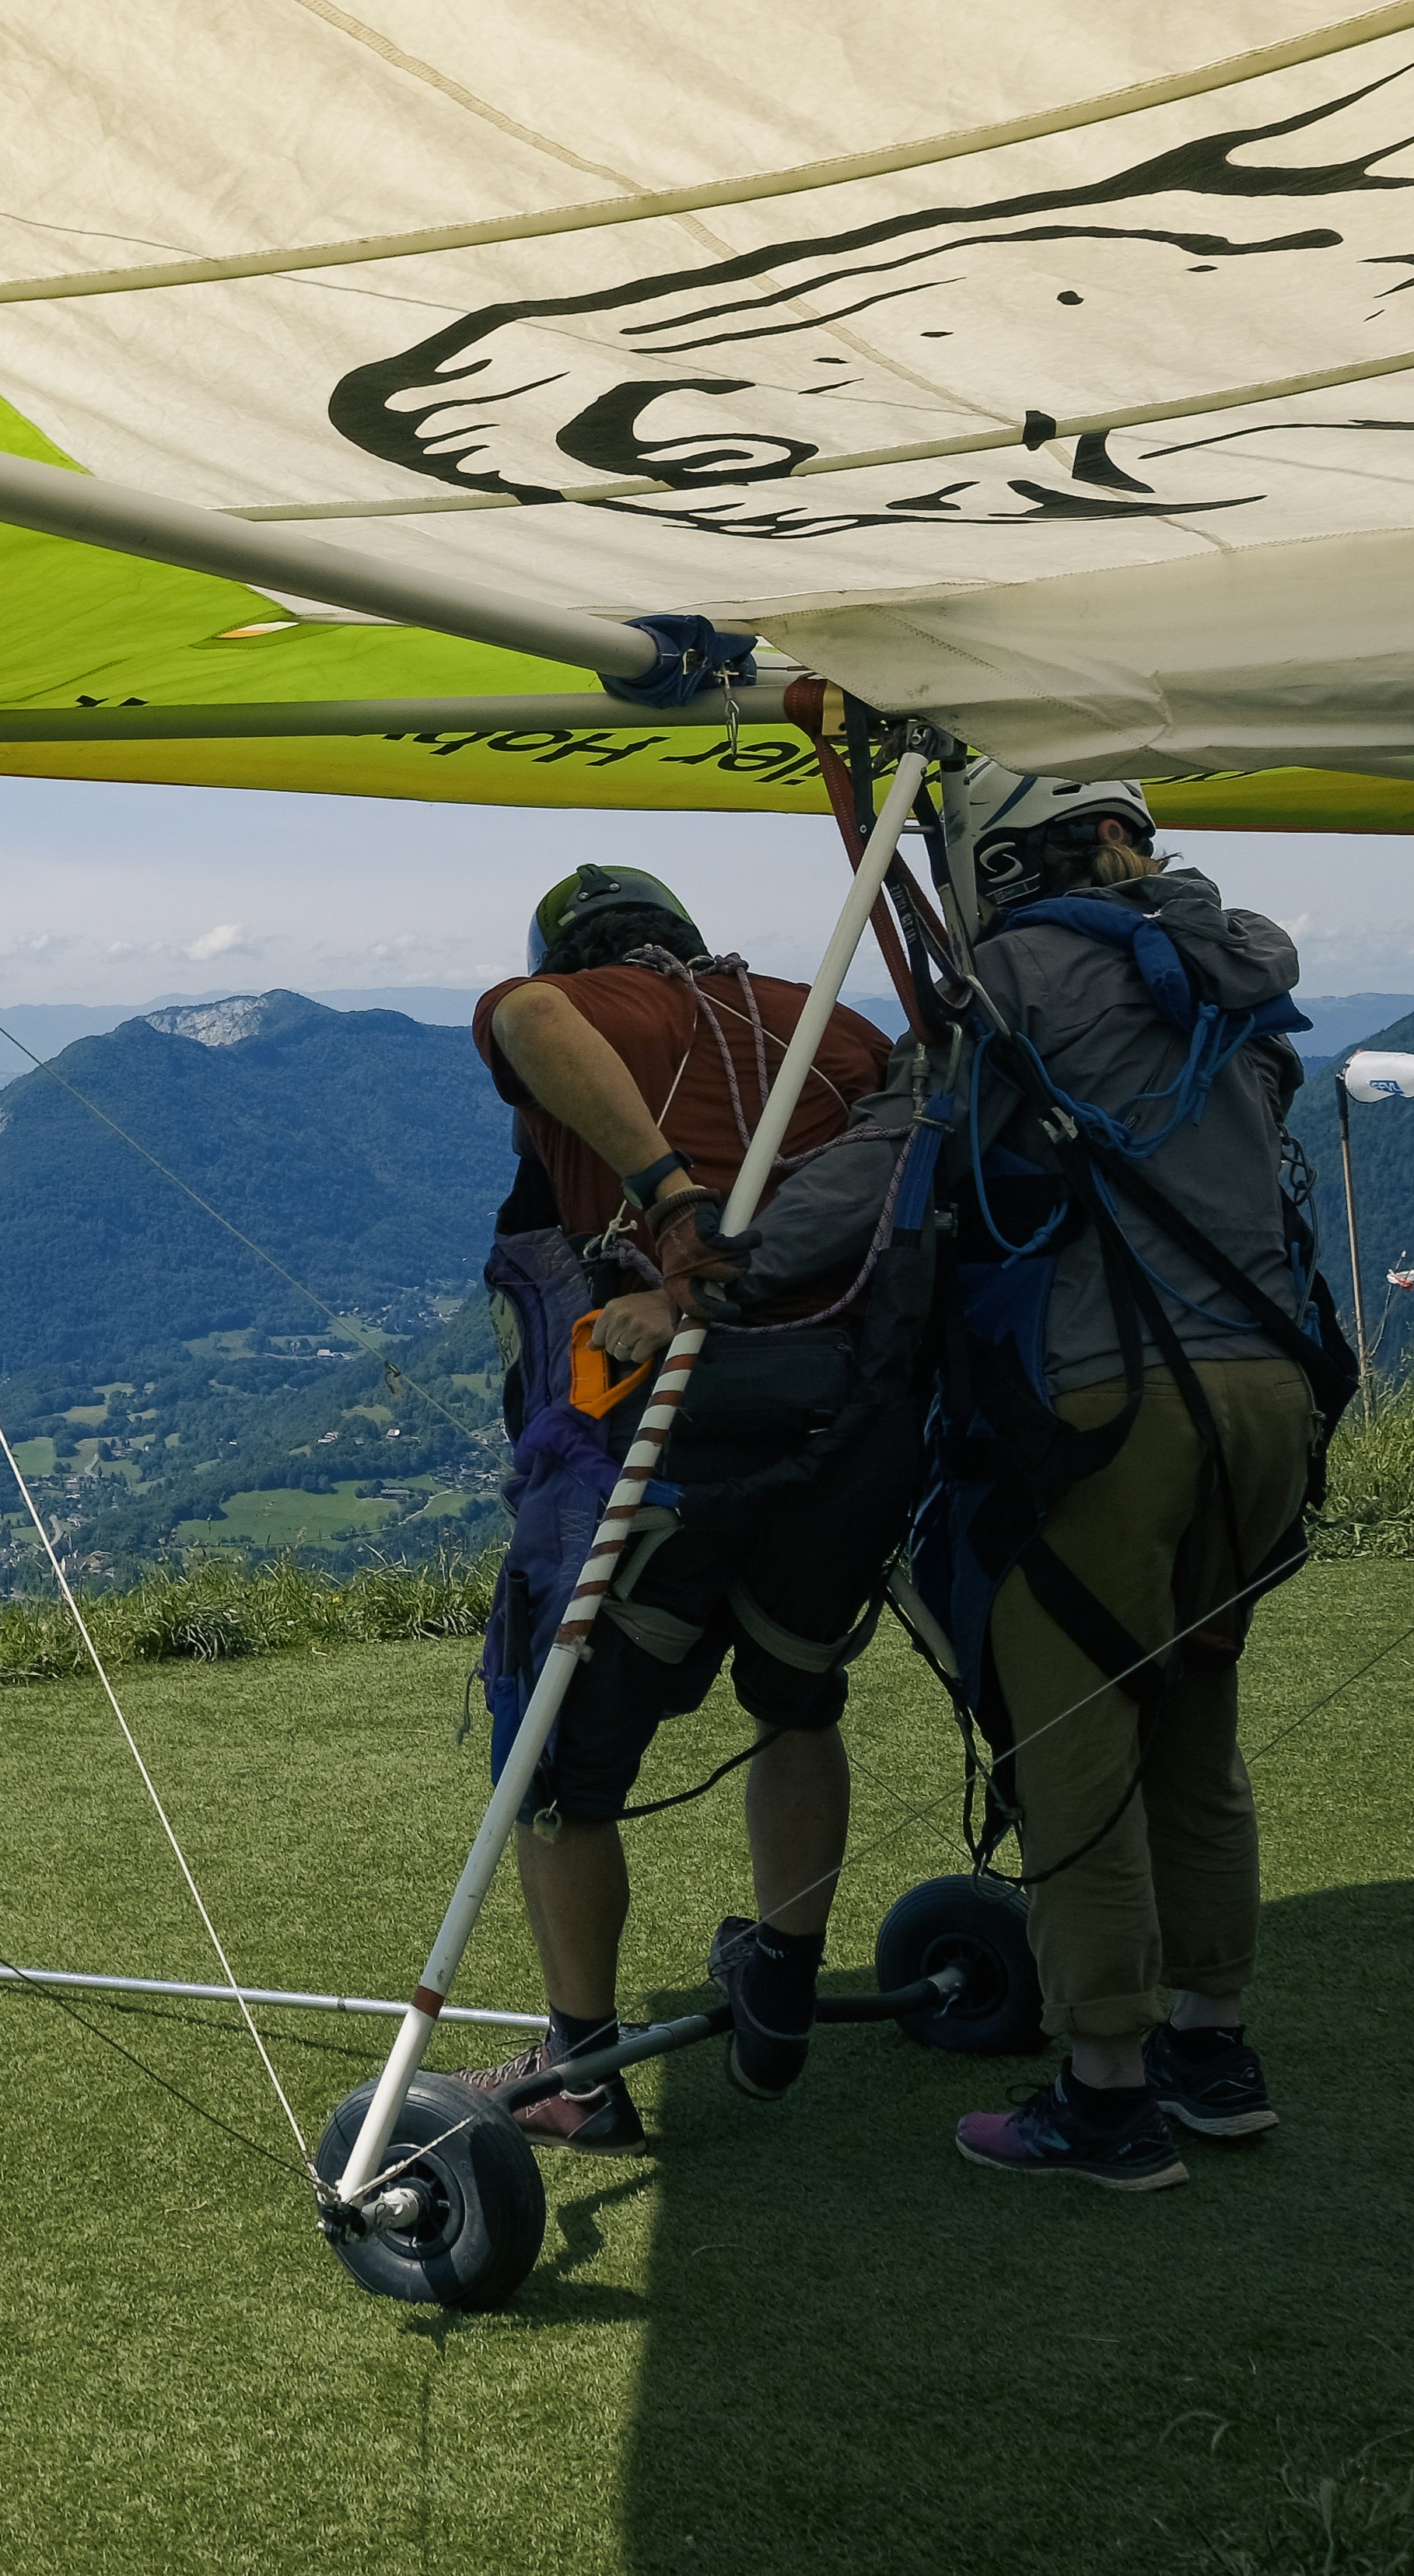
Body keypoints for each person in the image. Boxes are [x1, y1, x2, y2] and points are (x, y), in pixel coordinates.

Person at [933, 770, 1340, 2193]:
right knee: (1192, 1717)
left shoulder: (1010, 973)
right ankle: (1208, 2046)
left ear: (999, 863)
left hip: (1116, 1392)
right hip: (1267, 1397)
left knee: (1078, 1746)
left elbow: (939, 1168)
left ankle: (1101, 2093)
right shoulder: (1225, 969)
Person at [464, 863, 897, 2150]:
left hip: (660, 1438)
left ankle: (577, 2069)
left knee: (555, 1771)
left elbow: (525, 1022)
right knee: (794, 1697)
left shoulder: (571, 1004)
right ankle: (777, 1979)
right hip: (833, 1429)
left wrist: (665, 1199)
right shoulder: (835, 1027)